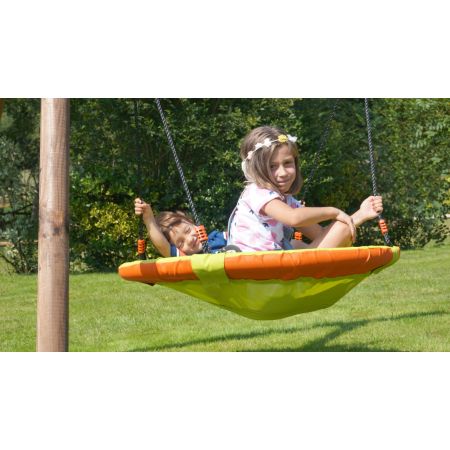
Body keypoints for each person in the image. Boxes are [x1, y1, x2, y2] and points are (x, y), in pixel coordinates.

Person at [228, 125, 384, 252]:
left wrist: (360, 215)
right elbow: (293, 218)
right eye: (272, 166)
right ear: (255, 169)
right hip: (252, 265)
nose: (282, 173)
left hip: (271, 263)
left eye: (287, 163)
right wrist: (334, 211)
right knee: (303, 241)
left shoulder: (287, 201)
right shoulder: (257, 192)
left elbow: (322, 235)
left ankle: (356, 218)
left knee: (331, 231)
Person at [134, 198, 229, 257]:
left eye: (188, 230)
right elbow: (163, 246)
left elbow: (236, 231)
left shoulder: (216, 238)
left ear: (192, 223)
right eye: (181, 243)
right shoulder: (189, 261)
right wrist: (149, 219)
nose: (189, 240)